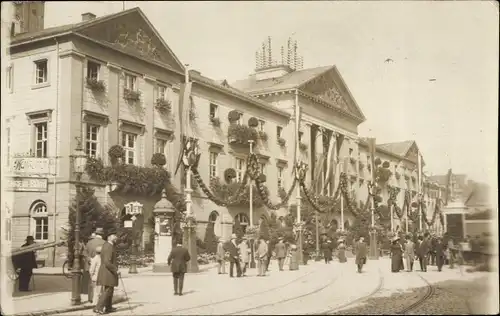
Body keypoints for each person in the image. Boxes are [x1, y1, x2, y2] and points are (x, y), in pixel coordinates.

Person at [94, 231, 119, 315]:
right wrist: (115, 270)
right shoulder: (109, 246)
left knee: (110, 289)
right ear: (109, 237)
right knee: (108, 290)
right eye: (113, 235)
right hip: (108, 272)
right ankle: (98, 308)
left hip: (107, 271)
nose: (116, 237)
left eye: (115, 235)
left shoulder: (108, 245)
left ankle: (108, 307)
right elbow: (107, 262)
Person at [85, 228, 106, 303]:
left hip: (89, 265)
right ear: (102, 234)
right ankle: (98, 300)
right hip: (100, 266)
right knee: (99, 284)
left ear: (96, 234)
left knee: (90, 283)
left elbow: (85, 253)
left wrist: (90, 260)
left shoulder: (89, 242)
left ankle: (90, 298)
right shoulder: (104, 243)